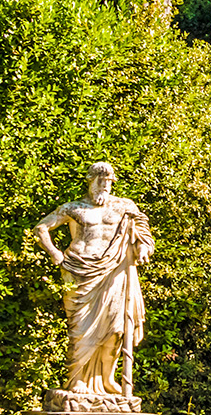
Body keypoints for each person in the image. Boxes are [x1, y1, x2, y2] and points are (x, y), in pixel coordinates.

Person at [33, 162, 154, 397]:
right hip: (79, 271)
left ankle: (107, 380)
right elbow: (41, 229)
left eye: (109, 182)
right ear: (90, 181)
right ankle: (77, 379)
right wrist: (56, 255)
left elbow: (143, 234)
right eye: (101, 180)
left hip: (114, 271)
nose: (105, 186)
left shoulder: (125, 207)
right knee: (81, 329)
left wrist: (142, 249)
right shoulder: (73, 208)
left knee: (115, 329)